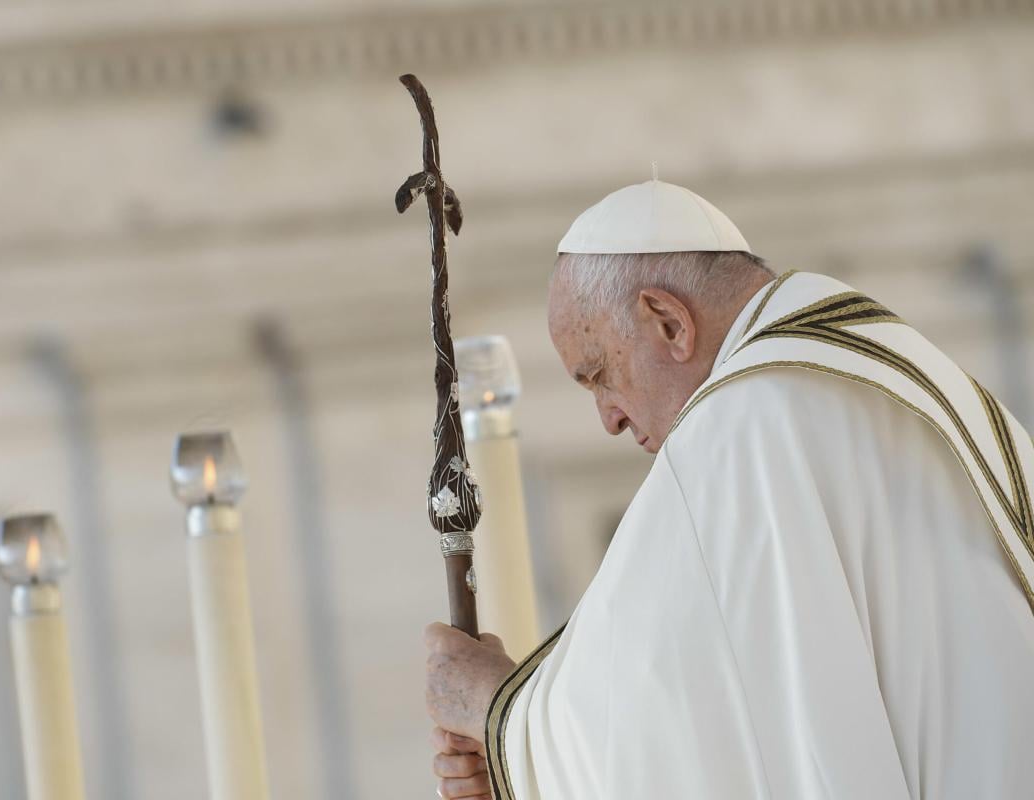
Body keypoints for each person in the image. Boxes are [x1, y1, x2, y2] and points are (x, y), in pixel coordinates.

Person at [424, 179, 1034, 799]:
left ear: (668, 322)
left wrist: (500, 718)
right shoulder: (887, 361)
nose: (609, 418)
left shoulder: (744, 423)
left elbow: (672, 720)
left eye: (601, 375)